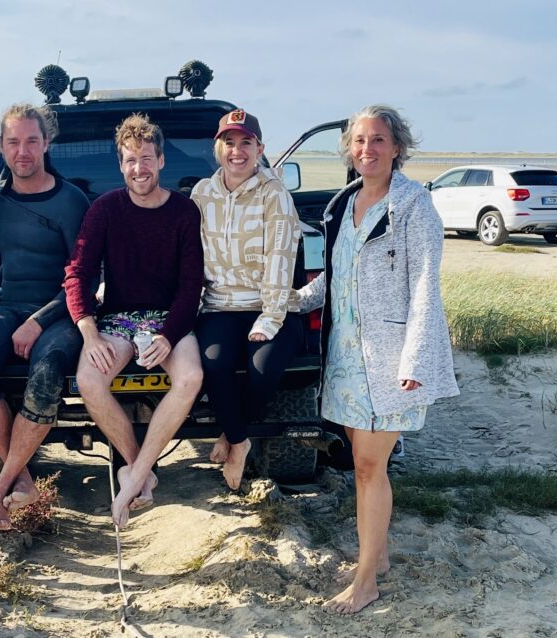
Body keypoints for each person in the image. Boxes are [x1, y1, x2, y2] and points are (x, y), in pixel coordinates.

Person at [294, 105, 459, 614]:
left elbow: (425, 286)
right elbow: (337, 277)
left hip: (389, 357)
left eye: (379, 140)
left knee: (368, 466)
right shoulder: (345, 202)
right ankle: (379, 556)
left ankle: (365, 581)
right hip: (344, 354)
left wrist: (414, 359)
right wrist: (293, 301)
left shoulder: (414, 205)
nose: (368, 150)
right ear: (349, 149)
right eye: (360, 141)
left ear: (397, 147)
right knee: (361, 457)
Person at [64, 114, 204, 529]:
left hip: (169, 319)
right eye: (130, 160)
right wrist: (89, 331)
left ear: (161, 161)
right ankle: (137, 468)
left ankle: (135, 478)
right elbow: (78, 272)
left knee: (191, 377)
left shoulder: (184, 211)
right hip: (120, 318)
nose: (139, 168)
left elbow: (191, 283)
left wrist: (169, 334)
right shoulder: (105, 209)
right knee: (89, 380)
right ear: (120, 165)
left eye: (146, 158)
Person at [0, 104, 89, 531]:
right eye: (13, 142)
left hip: (60, 313)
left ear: (47, 143)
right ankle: (24, 479)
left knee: (47, 368)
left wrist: (39, 320)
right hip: (8, 306)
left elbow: (84, 276)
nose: (23, 150)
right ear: (1, 147)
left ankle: (0, 487)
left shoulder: (71, 201)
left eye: (32, 140)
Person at [190, 109, 304, 490]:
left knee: (262, 372)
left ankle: (231, 435)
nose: (236, 151)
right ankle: (238, 441)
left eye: (245, 143)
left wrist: (269, 319)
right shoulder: (201, 194)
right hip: (221, 305)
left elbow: (280, 258)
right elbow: (191, 258)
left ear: (260, 149)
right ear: (216, 148)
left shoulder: (276, 194)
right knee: (214, 363)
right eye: (229, 142)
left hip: (270, 305)